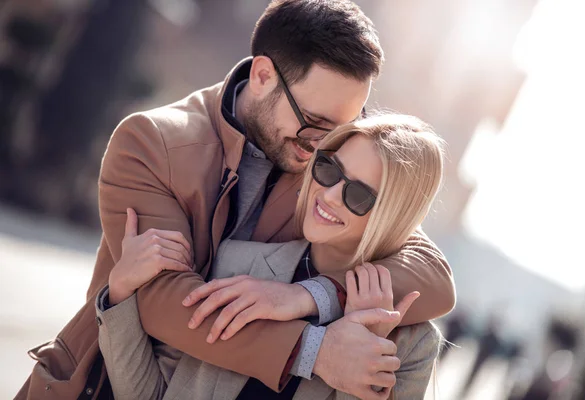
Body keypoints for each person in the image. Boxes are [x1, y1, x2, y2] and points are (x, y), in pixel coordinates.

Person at [17, 1, 455, 399]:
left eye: (340, 128)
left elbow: (430, 273)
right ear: (263, 76)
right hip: (96, 385)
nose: (324, 145)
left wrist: (312, 296)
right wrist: (316, 352)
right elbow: (165, 302)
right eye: (315, 122)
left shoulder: (328, 169)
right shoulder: (150, 143)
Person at [99, 113, 445, 400]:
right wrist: (120, 292)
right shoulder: (238, 266)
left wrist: (371, 350)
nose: (330, 196)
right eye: (329, 170)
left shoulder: (411, 342)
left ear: (392, 216)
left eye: (359, 195)